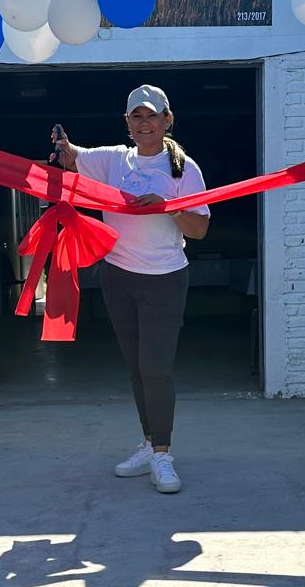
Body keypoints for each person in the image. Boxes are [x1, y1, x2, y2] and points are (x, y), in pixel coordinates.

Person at [51, 84, 210, 493]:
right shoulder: (113, 160)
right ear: (127, 122)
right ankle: (149, 443)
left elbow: (199, 228)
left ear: (167, 120)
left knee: (157, 368)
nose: (144, 123)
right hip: (119, 276)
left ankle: (163, 455)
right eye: (136, 116)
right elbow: (73, 158)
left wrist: (167, 206)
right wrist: (63, 147)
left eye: (152, 115)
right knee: (137, 368)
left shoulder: (183, 169)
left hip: (165, 279)